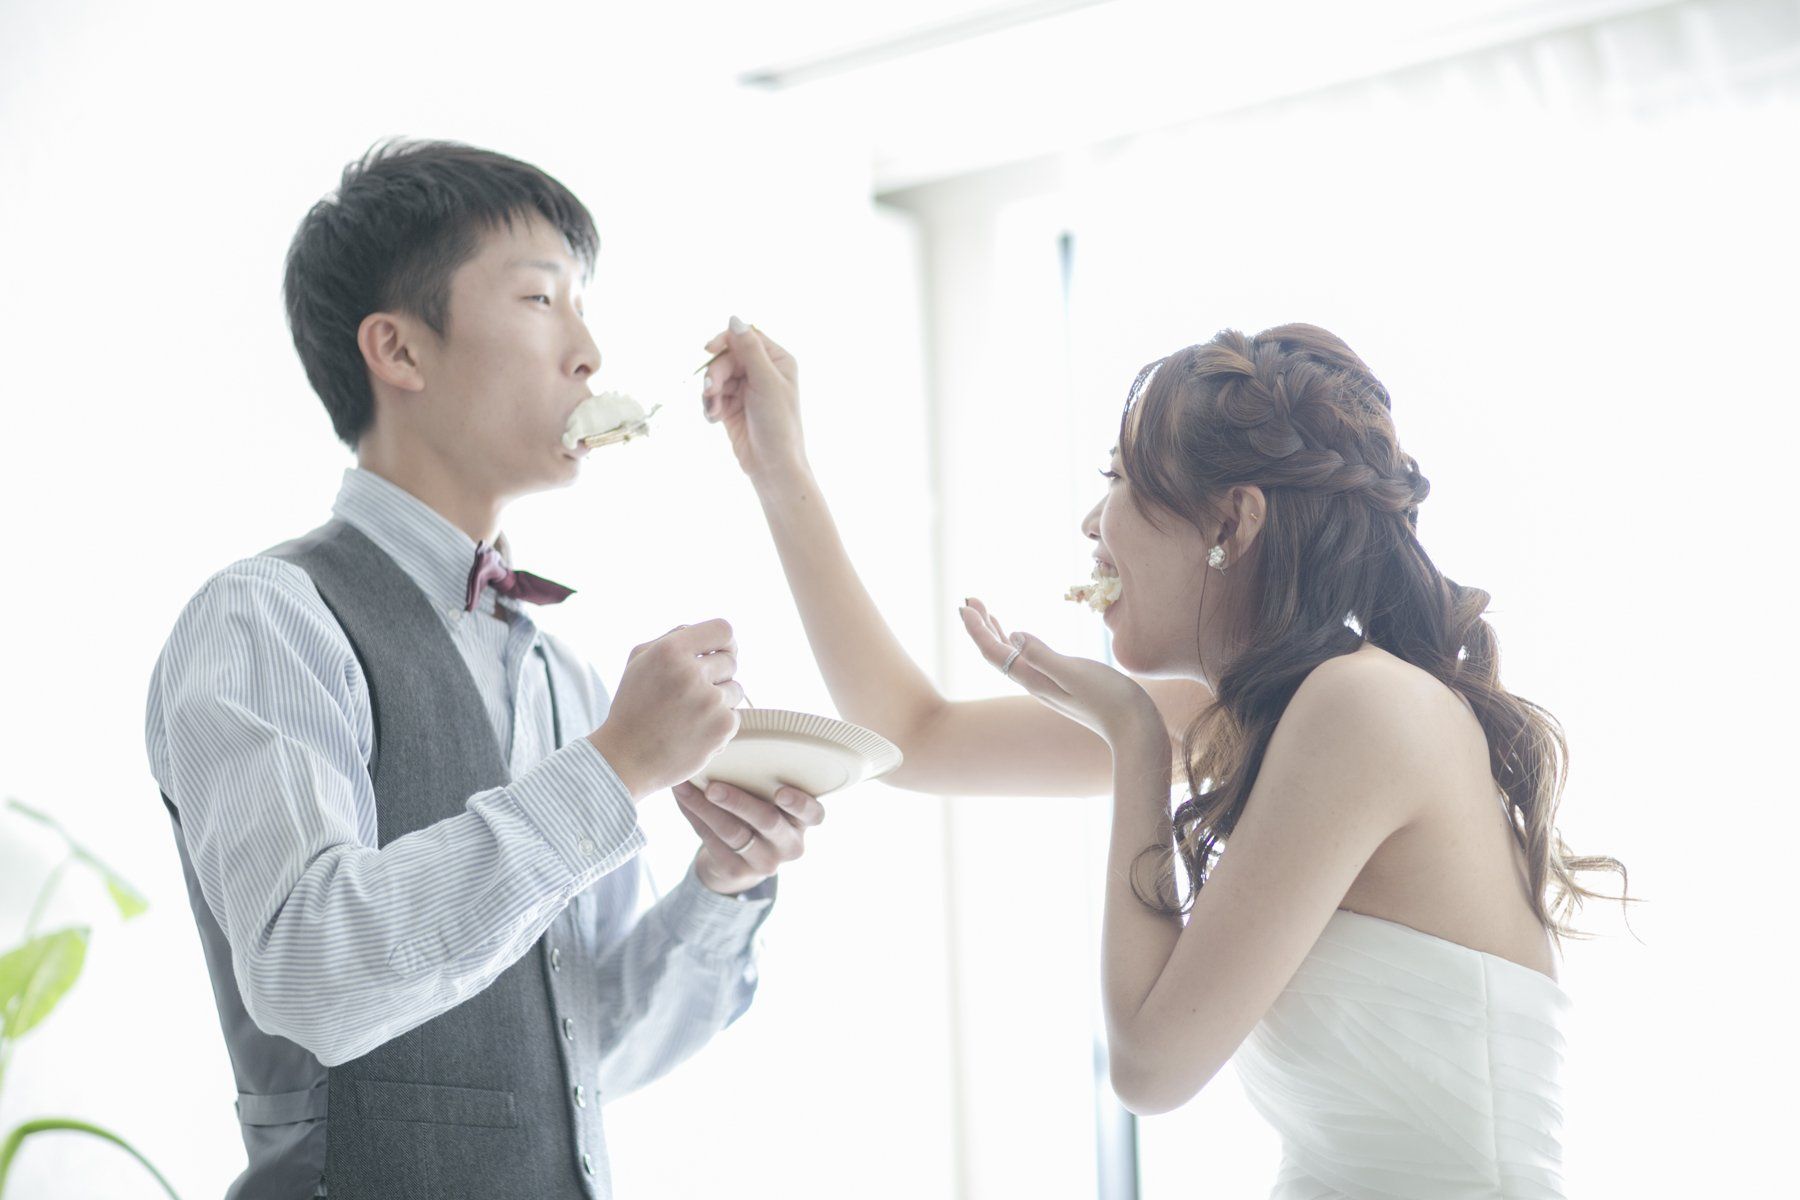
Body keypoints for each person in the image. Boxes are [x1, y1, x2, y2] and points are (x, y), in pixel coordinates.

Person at [698, 319, 1629, 1198]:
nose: (1089, 523)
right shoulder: (1273, 710)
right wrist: (778, 468)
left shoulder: (1363, 706)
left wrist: (1134, 739)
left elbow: (1150, 1066)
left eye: (1119, 476)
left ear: (1231, 524)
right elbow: (914, 736)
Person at [145, 139, 824, 1200]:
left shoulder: (562, 674)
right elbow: (313, 975)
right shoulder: (267, 620)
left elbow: (586, 1051)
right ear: (398, 350)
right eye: (542, 300)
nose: (589, 353)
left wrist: (722, 884)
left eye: (583, 307)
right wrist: (612, 771)